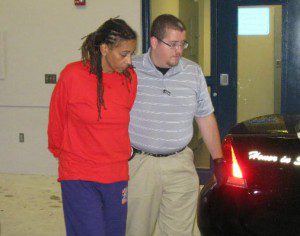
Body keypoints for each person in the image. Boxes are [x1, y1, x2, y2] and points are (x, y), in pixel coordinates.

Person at [126, 14, 227, 236]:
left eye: (182, 43)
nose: (179, 50)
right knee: (136, 230)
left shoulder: (193, 72)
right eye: (172, 44)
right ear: (154, 42)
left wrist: (218, 159)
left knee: (180, 232)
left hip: (180, 163)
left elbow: (205, 117)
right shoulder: (130, 69)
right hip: (141, 165)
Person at [47, 18, 137, 236]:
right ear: (105, 48)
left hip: (116, 173)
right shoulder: (72, 75)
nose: (129, 60)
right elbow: (56, 122)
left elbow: (122, 118)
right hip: (79, 174)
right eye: (123, 54)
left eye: (132, 53)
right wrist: (67, 156)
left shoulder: (130, 78)